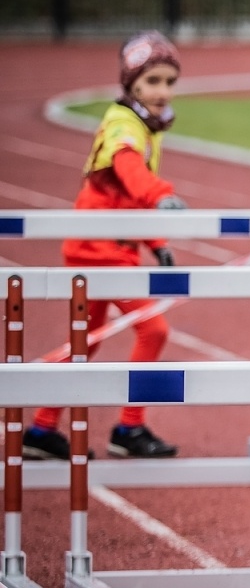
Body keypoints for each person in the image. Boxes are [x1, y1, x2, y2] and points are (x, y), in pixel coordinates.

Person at [24, 32, 187, 462]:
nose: (163, 91)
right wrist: (160, 197)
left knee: (87, 341)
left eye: (170, 81)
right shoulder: (123, 125)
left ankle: (41, 429)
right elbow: (129, 171)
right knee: (154, 330)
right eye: (153, 81)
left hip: (101, 246)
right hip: (101, 251)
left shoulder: (142, 126)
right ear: (132, 84)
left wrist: (155, 241)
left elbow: (124, 196)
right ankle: (129, 428)